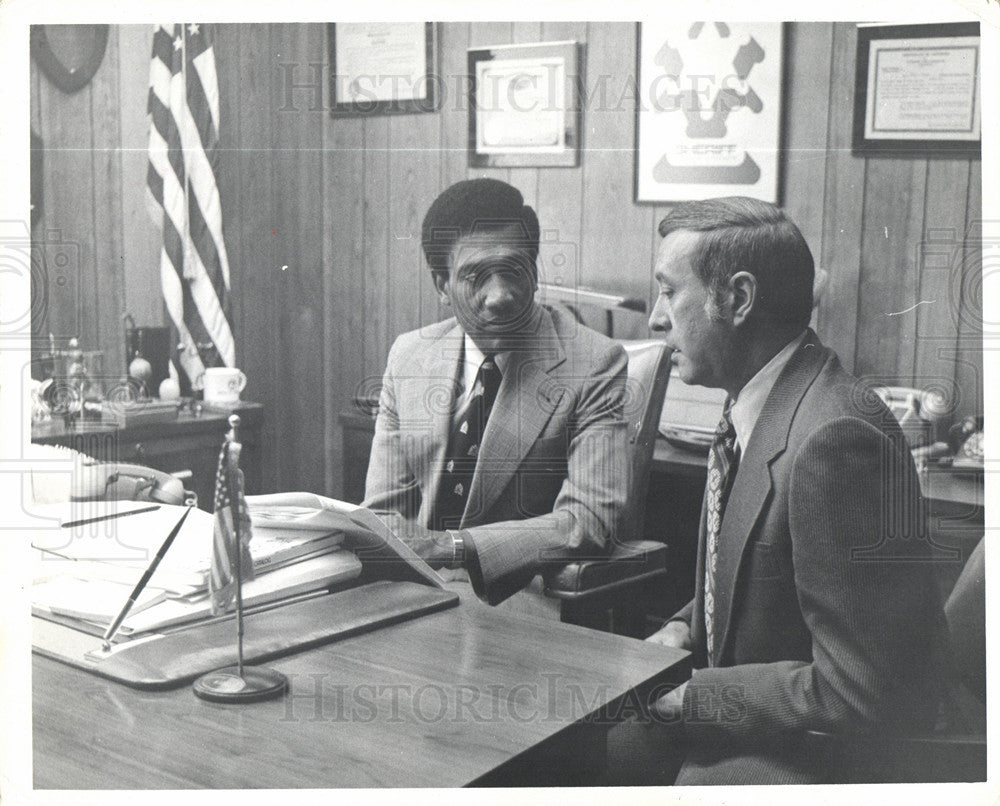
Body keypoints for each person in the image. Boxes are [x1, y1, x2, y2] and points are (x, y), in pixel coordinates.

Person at [612, 196, 946, 785]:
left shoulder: (835, 439)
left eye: (669, 292)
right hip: (774, 706)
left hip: (841, 755)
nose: (656, 319)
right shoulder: (761, 400)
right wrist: (686, 625)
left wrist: (695, 699)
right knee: (596, 744)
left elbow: (861, 691)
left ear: (737, 300)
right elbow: (766, 567)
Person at [362, 178, 628, 612]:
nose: (500, 295)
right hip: (409, 591)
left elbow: (590, 520)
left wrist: (455, 547)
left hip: (517, 597)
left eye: (514, 270)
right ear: (441, 285)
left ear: (535, 273)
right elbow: (384, 513)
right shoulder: (410, 355)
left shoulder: (595, 363)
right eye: (475, 276)